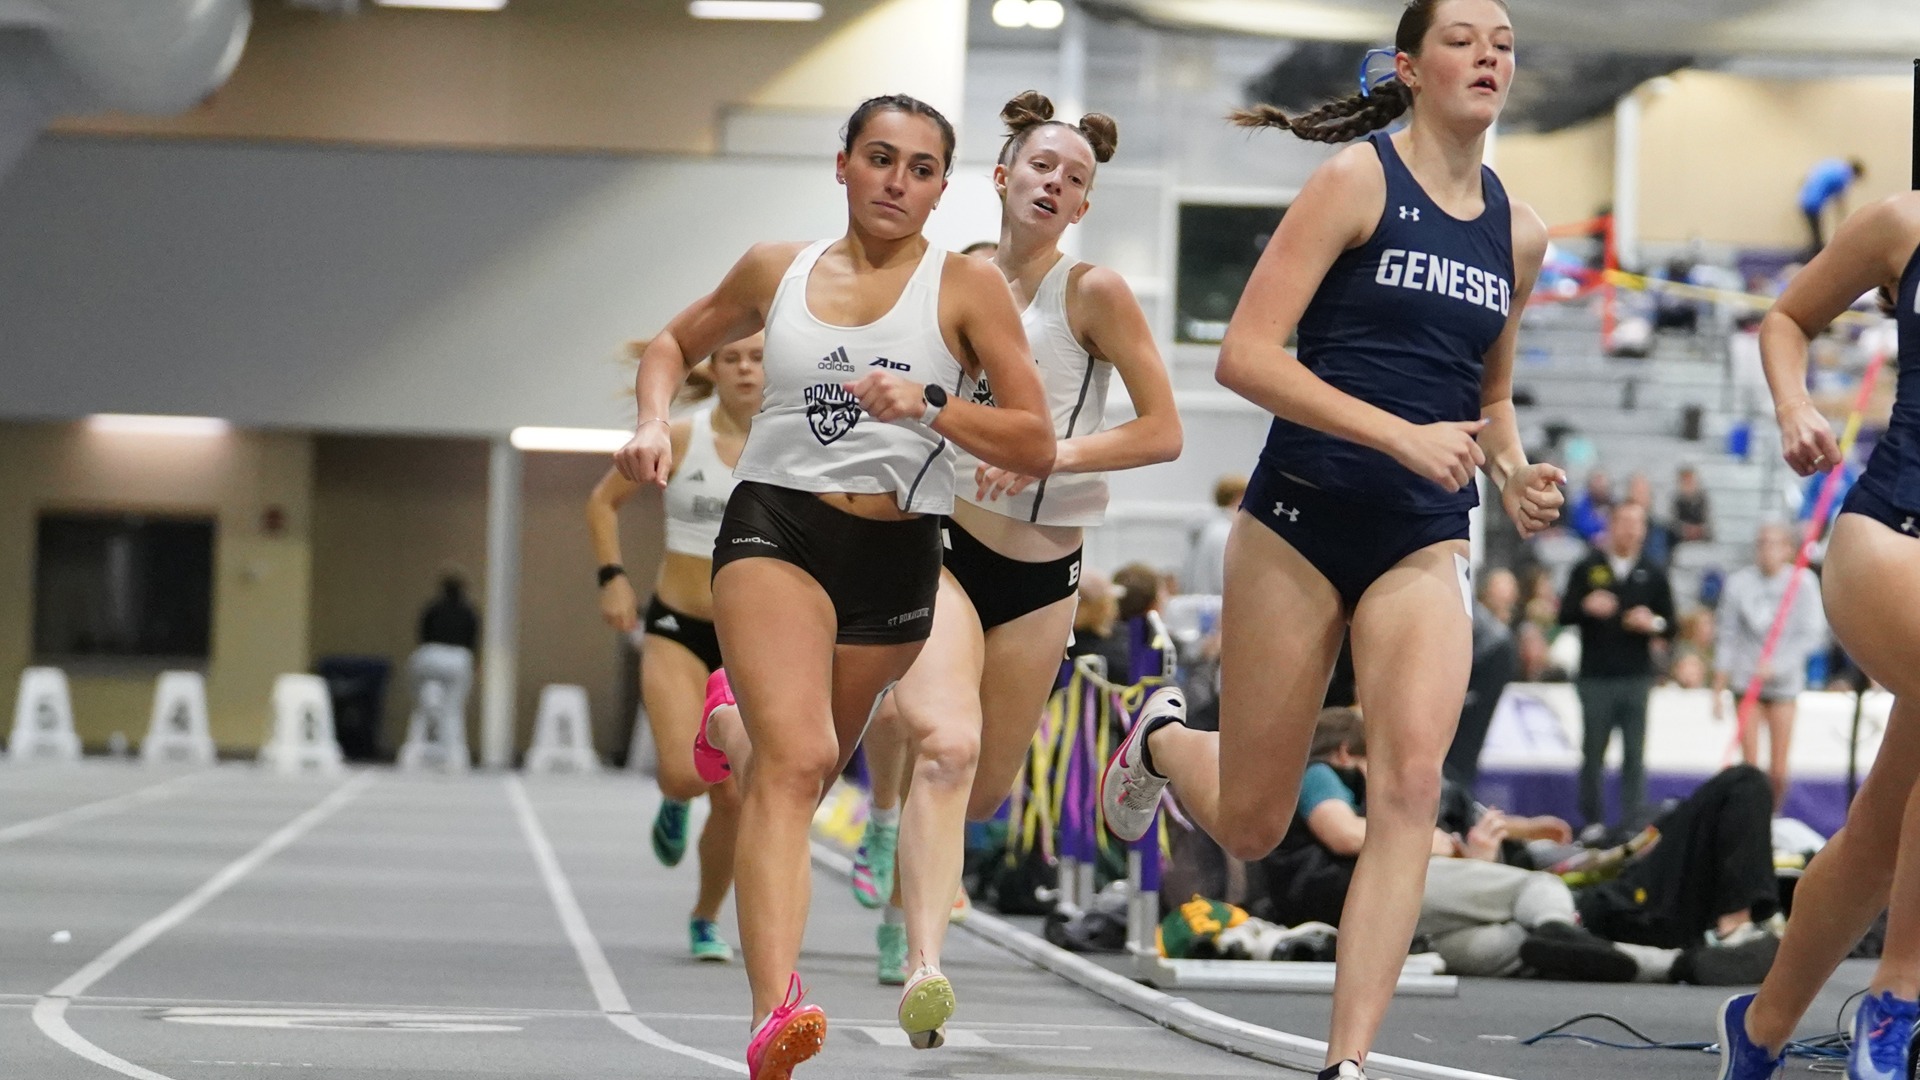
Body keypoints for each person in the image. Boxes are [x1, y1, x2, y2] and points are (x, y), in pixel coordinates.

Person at [1097, 3, 1567, 1075]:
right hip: (1301, 521)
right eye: (1463, 38)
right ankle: (1162, 738)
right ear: (1409, 66)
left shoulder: (1520, 232)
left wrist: (1514, 473)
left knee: (1408, 787)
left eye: (1503, 41)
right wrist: (1398, 434)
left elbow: (1490, 397)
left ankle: (1346, 1062)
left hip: (1424, 538)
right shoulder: (1357, 181)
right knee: (1254, 824)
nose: (1489, 54)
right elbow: (1248, 356)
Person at [611, 93, 1055, 1080]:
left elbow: (1033, 439)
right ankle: (775, 1013)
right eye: (880, 158)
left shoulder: (967, 289)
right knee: (801, 760)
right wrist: (649, 420)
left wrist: (932, 403)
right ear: (844, 164)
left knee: (793, 769)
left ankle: (729, 726)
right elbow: (670, 345)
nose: (897, 181)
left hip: (897, 555)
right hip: (779, 524)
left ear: (942, 188)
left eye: (921, 168)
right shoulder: (778, 269)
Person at [858, 91, 1180, 1046]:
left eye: (1074, 178)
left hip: (1044, 576)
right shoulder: (950, 281)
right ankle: (924, 967)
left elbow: (1163, 431)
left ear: (1083, 205)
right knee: (946, 749)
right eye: (1042, 166)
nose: (1055, 184)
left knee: (987, 791)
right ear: (1001, 177)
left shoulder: (1095, 293)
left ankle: (903, 852)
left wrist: (1053, 454)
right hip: (947, 549)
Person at [1714, 189, 1920, 1080]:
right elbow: (1787, 318)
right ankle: (1898, 1001)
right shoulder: (1904, 222)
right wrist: (1796, 406)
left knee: (1878, 836)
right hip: (1894, 537)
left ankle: (1761, 1027)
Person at [586, 332, 764, 963]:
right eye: (731, 358)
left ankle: (705, 917)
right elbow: (602, 503)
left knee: (734, 793)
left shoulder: (791, 444)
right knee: (686, 776)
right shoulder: (683, 438)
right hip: (679, 626)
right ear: (712, 369)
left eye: (757, 357)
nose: (745, 369)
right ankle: (674, 797)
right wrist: (613, 578)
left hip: (753, 642)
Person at [1558, 501, 1675, 833]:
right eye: (1623, 521)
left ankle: (1632, 824)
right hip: (1595, 676)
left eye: (1637, 523)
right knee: (1593, 753)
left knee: (1634, 755)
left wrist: (1651, 623)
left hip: (1636, 677)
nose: (1630, 529)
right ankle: (1591, 822)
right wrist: (1586, 606)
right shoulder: (1588, 567)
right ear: (1611, 525)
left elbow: (1671, 624)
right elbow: (1563, 613)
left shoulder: (1653, 572)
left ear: (1644, 530)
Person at [1712, 521, 1827, 807]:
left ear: (1788, 549)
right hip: (1747, 681)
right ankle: (1750, 819)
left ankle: (1773, 816)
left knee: (1778, 768)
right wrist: (1719, 686)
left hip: (1784, 685)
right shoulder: (1739, 583)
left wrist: (1779, 667)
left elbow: (1812, 634)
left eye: (1774, 543)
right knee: (1750, 767)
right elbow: (1727, 635)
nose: (1766, 550)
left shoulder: (1803, 583)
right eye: (1761, 543)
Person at [1183, 474, 1248, 595]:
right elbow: (1225, 580)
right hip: (1217, 601)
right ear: (1237, 498)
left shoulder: (1208, 529)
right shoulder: (1225, 533)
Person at [1797, 156, 1866, 257]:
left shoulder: (1835, 166)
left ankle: (1810, 254)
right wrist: (1844, 222)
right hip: (1813, 202)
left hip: (1804, 198)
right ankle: (1808, 258)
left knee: (1816, 236)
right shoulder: (1844, 175)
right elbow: (1840, 201)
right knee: (1817, 240)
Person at [418, 572, 479, 651]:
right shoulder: (468, 612)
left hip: (433, 651)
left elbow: (424, 633)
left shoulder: (433, 609)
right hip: (459, 653)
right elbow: (472, 637)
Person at [1569, 467, 1613, 544]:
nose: (1600, 488)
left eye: (1602, 485)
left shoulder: (1614, 504)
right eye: (1597, 484)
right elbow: (1580, 526)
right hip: (1585, 542)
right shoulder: (1580, 505)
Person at [1672, 463, 1713, 544]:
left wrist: (1698, 530)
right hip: (1680, 543)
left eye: (1690, 481)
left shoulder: (1703, 500)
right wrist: (1686, 530)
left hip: (1702, 544)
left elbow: (1709, 525)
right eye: (1685, 482)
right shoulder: (1676, 501)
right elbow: (1673, 525)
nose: (1688, 485)